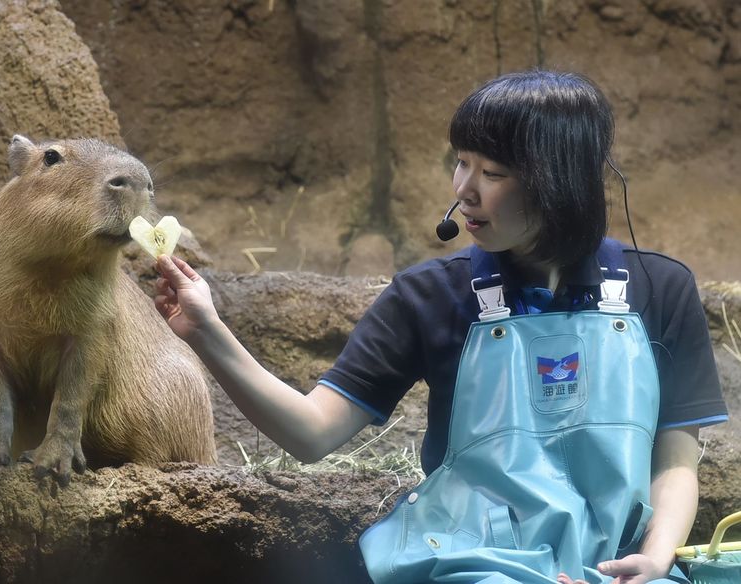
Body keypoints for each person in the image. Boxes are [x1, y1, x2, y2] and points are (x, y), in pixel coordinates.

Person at [152, 70, 728, 584]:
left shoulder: (660, 289)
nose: (463, 191)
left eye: (493, 171)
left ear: (563, 181)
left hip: (622, 568)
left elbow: (676, 462)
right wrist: (207, 330)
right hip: (470, 563)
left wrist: (654, 561)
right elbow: (311, 434)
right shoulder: (429, 295)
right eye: (462, 162)